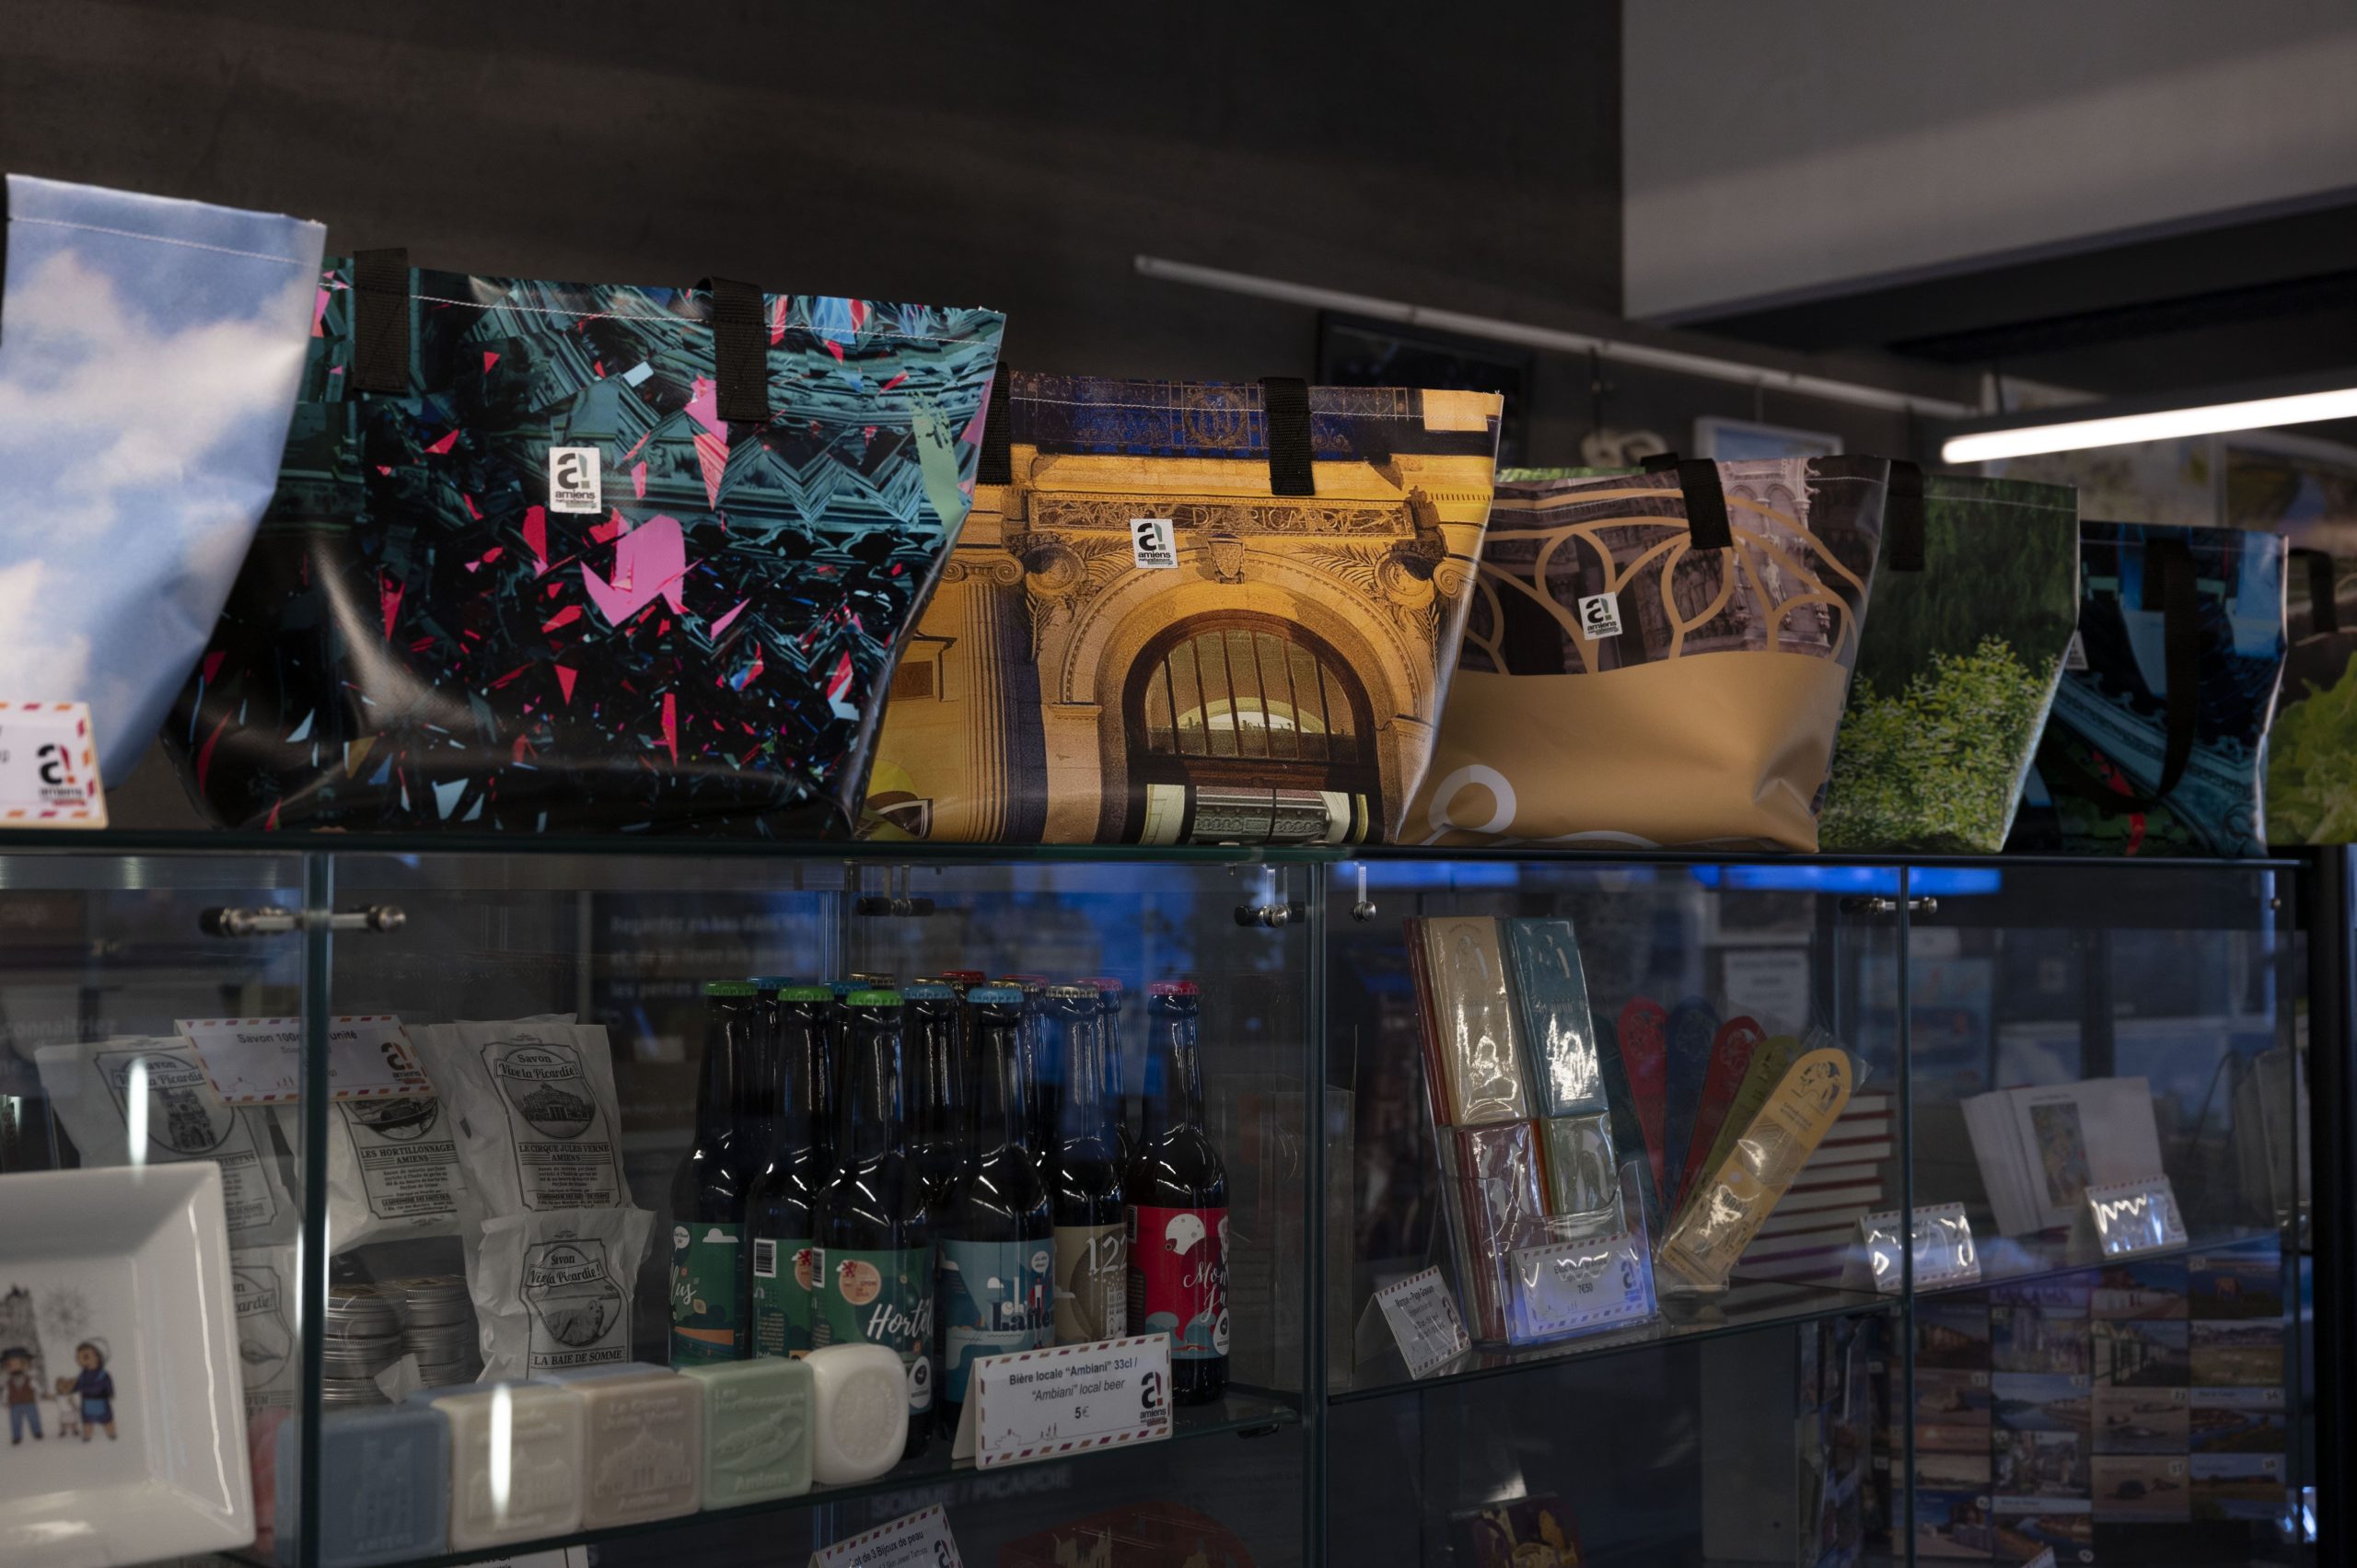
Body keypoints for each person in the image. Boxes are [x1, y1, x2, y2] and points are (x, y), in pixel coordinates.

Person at [61, 1342, 113, 1441]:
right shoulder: (83, 1374)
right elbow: (78, 1385)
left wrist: (110, 1393)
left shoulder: (103, 1374)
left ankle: (111, 1434)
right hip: (87, 1402)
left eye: (85, 1357)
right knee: (87, 1422)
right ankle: (87, 1436)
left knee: (107, 1421)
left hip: (101, 1401)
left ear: (97, 1357)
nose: (80, 1360)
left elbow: (108, 1385)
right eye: (78, 1357)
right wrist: (72, 1392)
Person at [3, 1347, 39, 1444]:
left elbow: (35, 1387)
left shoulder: (30, 1378)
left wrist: (38, 1393)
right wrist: (5, 1400)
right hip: (14, 1404)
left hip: (29, 1402)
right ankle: (16, 1436)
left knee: (34, 1418)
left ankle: (37, 1432)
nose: (16, 1366)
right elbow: (6, 1392)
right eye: (11, 1364)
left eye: (20, 1363)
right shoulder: (8, 1381)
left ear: (26, 1364)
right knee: (15, 1421)